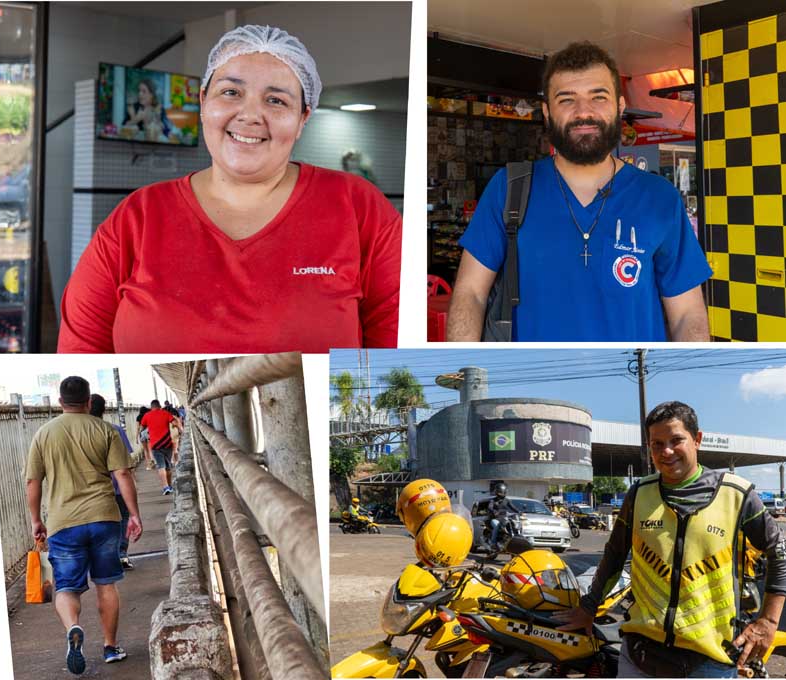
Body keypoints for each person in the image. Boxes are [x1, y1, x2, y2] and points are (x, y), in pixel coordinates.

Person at [59, 24, 401, 353]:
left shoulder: (358, 207)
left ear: (302, 119)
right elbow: (80, 351)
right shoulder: (136, 218)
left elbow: (394, 347)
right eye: (231, 92)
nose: (250, 115)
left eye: (277, 100)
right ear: (204, 102)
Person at [447, 41, 710, 342]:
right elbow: (470, 294)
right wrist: (463, 367)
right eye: (566, 100)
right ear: (547, 111)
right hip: (528, 380)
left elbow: (687, 314)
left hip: (634, 379)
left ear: (620, 106)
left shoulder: (660, 198)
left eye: (598, 97)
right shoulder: (508, 188)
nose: (584, 112)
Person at [556, 401, 785, 677]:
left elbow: (778, 552)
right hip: (639, 655)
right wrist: (588, 606)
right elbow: (614, 554)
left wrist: (769, 621)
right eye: (656, 443)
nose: (666, 451)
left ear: (697, 439)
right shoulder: (639, 494)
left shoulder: (737, 495)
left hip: (710, 660)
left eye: (676, 440)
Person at [27, 377, 143, 674]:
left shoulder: (43, 433)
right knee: (106, 583)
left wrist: (36, 520)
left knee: (66, 587)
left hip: (63, 522)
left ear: (59, 401)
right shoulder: (105, 430)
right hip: (104, 517)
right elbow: (123, 474)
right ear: (89, 401)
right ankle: (110, 647)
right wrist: (134, 514)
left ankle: (73, 627)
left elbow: (33, 481)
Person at [90, 394, 137, 570]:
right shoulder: (115, 430)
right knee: (123, 519)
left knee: (102, 523)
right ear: (104, 410)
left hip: (95, 490)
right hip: (118, 487)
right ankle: (122, 554)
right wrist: (133, 485)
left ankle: (106, 556)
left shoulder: (76, 434)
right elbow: (125, 466)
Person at [140, 399, 183, 495]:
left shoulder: (146, 415)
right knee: (168, 466)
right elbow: (175, 423)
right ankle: (170, 486)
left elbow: (142, 427)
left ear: (151, 407)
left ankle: (165, 487)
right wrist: (179, 428)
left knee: (161, 466)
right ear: (159, 406)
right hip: (167, 444)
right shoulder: (165, 413)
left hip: (155, 445)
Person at [121, 78, 174, 142]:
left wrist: (159, 122)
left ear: (151, 94)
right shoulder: (134, 107)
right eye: (139, 91)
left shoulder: (159, 108)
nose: (140, 94)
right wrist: (136, 119)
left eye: (144, 91)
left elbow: (167, 129)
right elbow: (123, 127)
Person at [486, 482, 519, 549]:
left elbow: (513, 507)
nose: (502, 493)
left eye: (503, 492)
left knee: (513, 525)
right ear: (497, 492)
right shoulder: (493, 500)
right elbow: (490, 507)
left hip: (504, 519)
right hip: (495, 519)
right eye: (501, 492)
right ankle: (493, 543)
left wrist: (519, 512)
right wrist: (494, 511)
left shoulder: (507, 500)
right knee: (497, 526)